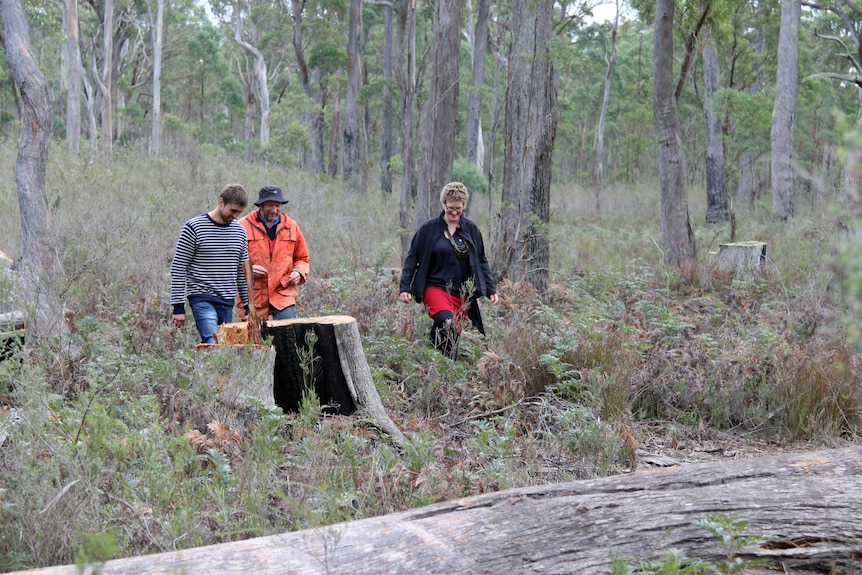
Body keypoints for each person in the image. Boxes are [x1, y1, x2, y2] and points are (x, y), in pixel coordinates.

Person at [399, 181, 499, 358]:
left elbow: (481, 260)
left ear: (463, 207)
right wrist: (405, 287)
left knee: (451, 337)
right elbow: (412, 257)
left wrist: (491, 289)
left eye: (458, 208)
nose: (454, 212)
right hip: (434, 287)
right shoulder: (429, 229)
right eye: (450, 207)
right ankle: (437, 357)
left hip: (461, 294)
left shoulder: (472, 230)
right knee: (446, 322)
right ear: (444, 204)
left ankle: (442, 365)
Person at [170, 184, 258, 344]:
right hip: (202, 297)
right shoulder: (194, 228)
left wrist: (247, 305)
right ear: (221, 202)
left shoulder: (239, 232)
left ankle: (208, 370)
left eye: (240, 212)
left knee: (225, 345)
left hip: (227, 300)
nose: (236, 216)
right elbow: (179, 267)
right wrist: (178, 307)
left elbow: (241, 272)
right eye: (233, 211)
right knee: (212, 341)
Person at [237, 185, 311, 321]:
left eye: (278, 206)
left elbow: (303, 258)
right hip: (253, 295)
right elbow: (230, 260)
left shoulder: (291, 226)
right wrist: (247, 269)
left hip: (283, 293)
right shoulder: (242, 226)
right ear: (261, 205)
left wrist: (298, 272)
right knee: (254, 339)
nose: (274, 210)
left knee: (287, 335)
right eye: (270, 206)